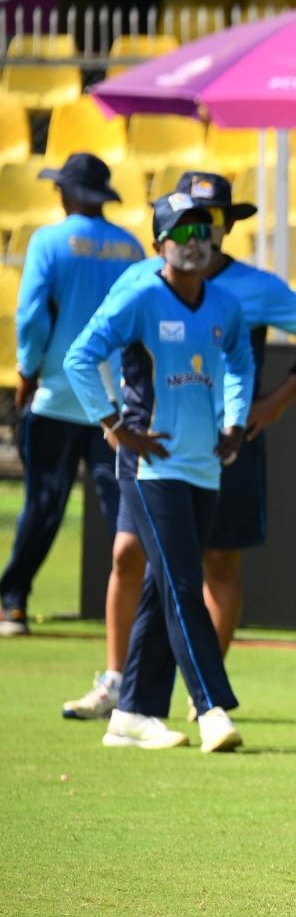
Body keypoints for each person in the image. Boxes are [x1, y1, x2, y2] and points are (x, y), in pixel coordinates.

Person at [60, 171, 296, 721]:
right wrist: (115, 419)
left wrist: (277, 401)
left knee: (216, 564)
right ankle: (120, 681)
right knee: (131, 556)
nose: (199, 232)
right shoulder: (142, 280)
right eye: (188, 219)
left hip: (223, 444)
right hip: (154, 444)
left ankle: (197, 687)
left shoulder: (254, 287)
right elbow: (93, 348)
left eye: (210, 219)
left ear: (225, 226)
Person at [62, 191, 254, 753]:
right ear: (159, 244)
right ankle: (212, 706)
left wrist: (236, 422)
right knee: (181, 582)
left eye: (203, 232)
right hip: (150, 466)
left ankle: (133, 714)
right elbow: (81, 354)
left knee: (158, 587)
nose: (195, 243)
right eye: (182, 234)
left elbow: (241, 362)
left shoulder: (224, 304)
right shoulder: (143, 295)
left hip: (205, 467)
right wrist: (113, 425)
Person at [2, 154, 142, 639]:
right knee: (124, 509)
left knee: (43, 505)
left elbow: (33, 316)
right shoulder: (131, 247)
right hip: (116, 404)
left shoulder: (48, 241)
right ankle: (144, 608)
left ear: (71, 193)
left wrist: (27, 370)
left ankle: (13, 604)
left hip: (60, 394)